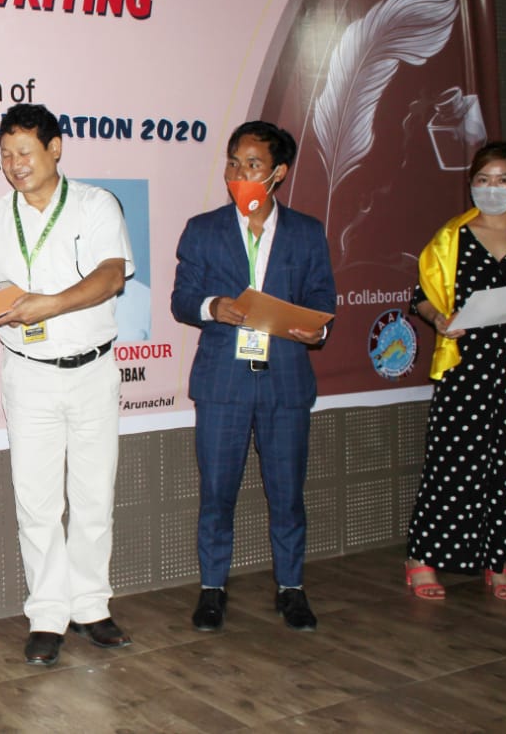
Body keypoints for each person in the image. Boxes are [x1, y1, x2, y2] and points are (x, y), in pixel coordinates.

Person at [0, 104, 134, 666]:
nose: (14, 164)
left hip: (93, 370)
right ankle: (48, 615)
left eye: (25, 152)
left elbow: (111, 276)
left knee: (93, 496)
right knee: (36, 501)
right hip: (28, 374)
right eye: (5, 154)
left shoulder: (95, 205)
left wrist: (49, 305)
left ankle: (91, 606)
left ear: (55, 148)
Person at [171, 120, 336, 633]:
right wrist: (213, 306)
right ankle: (212, 589)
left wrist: (317, 331)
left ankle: (291, 588)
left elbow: (322, 299)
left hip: (286, 381)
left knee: (287, 493)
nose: (239, 173)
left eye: (253, 165)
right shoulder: (203, 229)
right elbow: (182, 300)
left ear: (278, 173)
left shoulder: (306, 232)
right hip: (222, 383)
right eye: (233, 163)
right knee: (216, 492)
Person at [405, 141, 506, 601]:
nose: (492, 188)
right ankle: (423, 557)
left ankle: (499, 561)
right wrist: (439, 320)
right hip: (465, 368)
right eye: (483, 179)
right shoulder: (450, 238)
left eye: (503, 180)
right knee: (451, 463)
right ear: (471, 184)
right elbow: (421, 297)